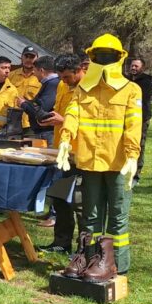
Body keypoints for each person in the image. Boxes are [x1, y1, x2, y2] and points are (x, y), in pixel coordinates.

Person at [56, 34, 142, 281]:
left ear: (119, 58)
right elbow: (72, 115)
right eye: (99, 56)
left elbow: (134, 125)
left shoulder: (130, 89)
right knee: (90, 215)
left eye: (109, 56)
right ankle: (90, 258)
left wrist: (132, 155)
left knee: (117, 215)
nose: (104, 61)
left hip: (119, 163)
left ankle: (117, 264)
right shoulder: (83, 89)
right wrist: (65, 139)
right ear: (91, 58)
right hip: (90, 160)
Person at [37, 54, 87, 254]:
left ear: (80, 70)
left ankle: (84, 250)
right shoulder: (61, 86)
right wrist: (52, 120)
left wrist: (63, 120)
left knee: (81, 203)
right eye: (61, 77)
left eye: (67, 77)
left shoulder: (90, 90)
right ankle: (61, 243)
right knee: (59, 198)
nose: (64, 81)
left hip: (81, 154)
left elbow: (91, 125)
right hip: (61, 152)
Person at [18, 54, 60, 146]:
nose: (34, 73)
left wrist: (24, 104)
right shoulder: (50, 83)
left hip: (48, 132)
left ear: (41, 71)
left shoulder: (53, 84)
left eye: (34, 70)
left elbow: (42, 109)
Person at [126, 57, 152, 184]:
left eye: (136, 66)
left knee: (139, 145)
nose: (133, 68)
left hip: (141, 118)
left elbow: (142, 99)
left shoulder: (146, 81)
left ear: (142, 68)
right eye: (132, 65)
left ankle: (136, 174)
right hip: (126, 118)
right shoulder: (125, 80)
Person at [8, 46, 42, 130]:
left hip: (31, 123)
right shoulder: (11, 75)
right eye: (26, 56)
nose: (28, 59)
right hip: (12, 122)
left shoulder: (41, 76)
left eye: (32, 57)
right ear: (21, 57)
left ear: (37, 59)